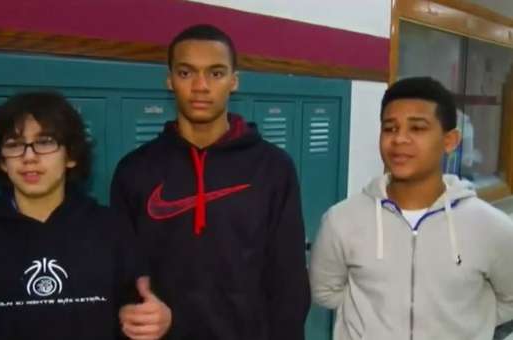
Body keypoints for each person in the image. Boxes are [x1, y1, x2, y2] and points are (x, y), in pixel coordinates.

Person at [111, 24, 310, 340]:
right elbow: (121, 273)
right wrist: (127, 309)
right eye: (187, 73)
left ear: (234, 81)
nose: (201, 86)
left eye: (215, 73)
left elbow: (289, 281)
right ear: (170, 80)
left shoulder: (273, 167)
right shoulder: (135, 170)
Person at [0, 91, 158, 339]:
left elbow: (138, 322)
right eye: (14, 145)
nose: (29, 157)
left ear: (70, 156)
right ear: (2, 161)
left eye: (45, 142)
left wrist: (155, 320)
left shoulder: (111, 230)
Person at [310, 77, 513, 340]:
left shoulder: (491, 227)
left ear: (450, 141)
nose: (400, 139)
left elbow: (508, 300)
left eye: (417, 128)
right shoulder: (342, 220)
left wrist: (467, 322)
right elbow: (326, 292)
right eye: (390, 128)